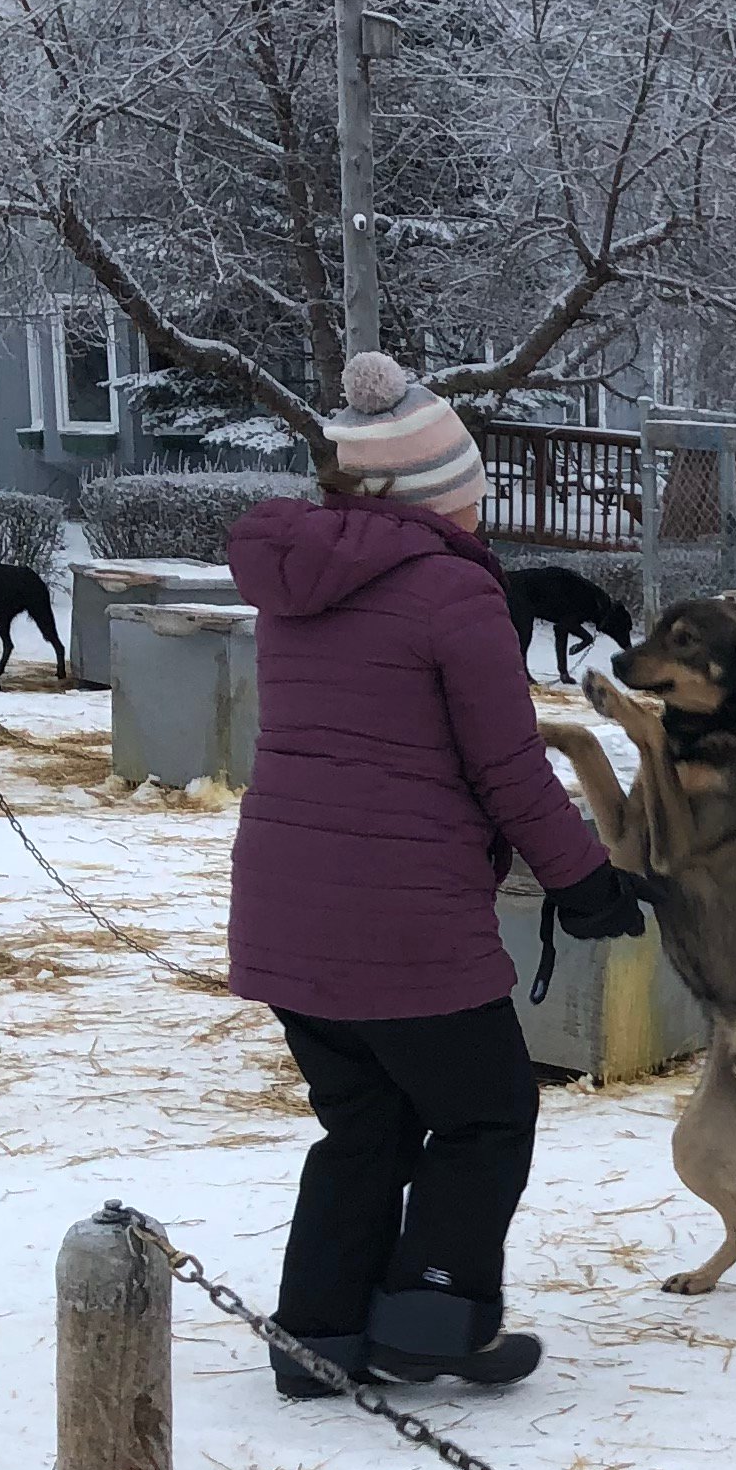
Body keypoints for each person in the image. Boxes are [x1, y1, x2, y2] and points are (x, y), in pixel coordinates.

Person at [225, 355, 643, 1397]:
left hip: (286, 910)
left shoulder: (300, 582)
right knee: (486, 1114)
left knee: (363, 1123)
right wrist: (586, 885)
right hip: (402, 923)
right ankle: (431, 1318)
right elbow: (507, 768)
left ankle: (319, 1338)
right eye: (470, 488)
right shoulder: (453, 592)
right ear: (441, 493)